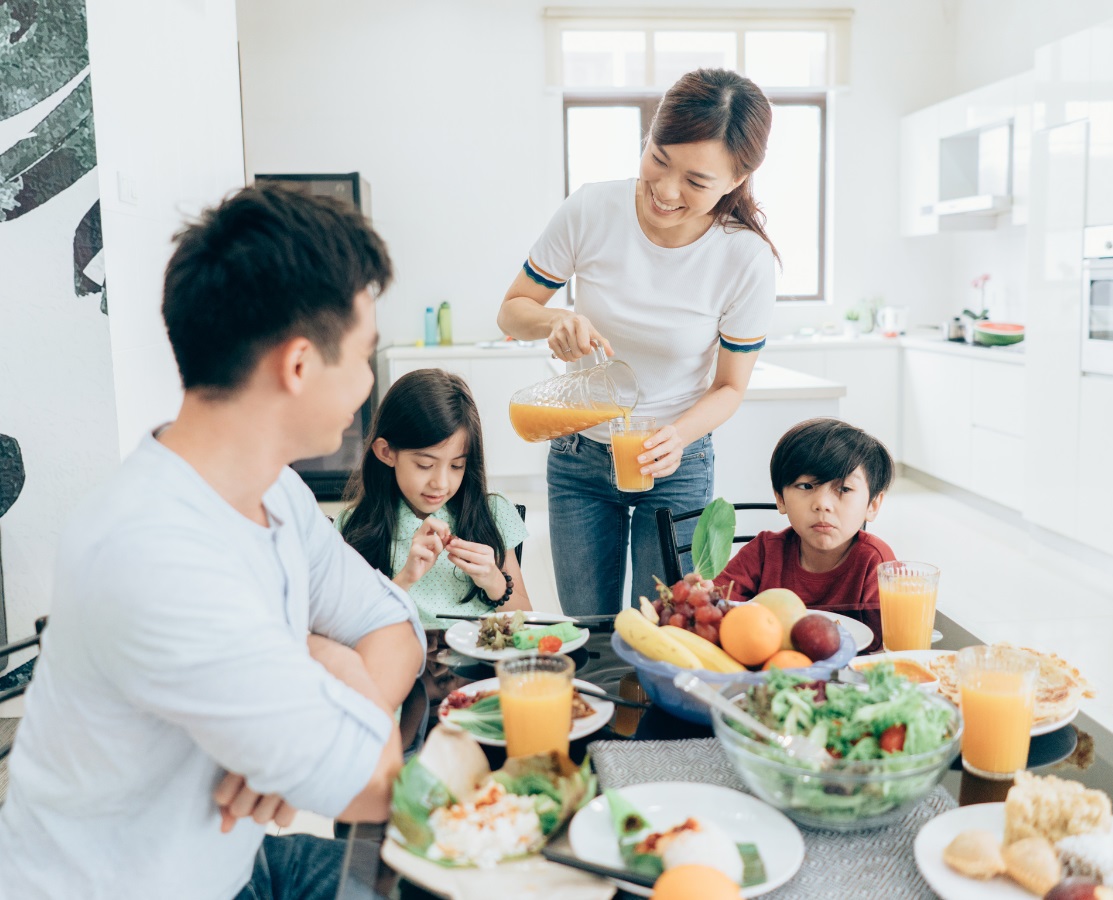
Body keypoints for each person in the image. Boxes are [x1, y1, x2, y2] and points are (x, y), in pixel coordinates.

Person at [0, 185, 426, 900]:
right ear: (298, 366)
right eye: (363, 358)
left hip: (237, 860)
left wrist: (320, 726)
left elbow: (397, 626)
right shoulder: (152, 553)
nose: (366, 386)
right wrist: (324, 662)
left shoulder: (276, 493)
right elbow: (379, 786)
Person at [497, 68, 778, 617]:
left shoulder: (744, 259)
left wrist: (677, 436)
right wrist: (553, 319)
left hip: (677, 461)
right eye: (659, 159)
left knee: (665, 627)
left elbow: (729, 387)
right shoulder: (591, 210)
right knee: (593, 627)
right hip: (580, 454)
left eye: (696, 182)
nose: (666, 191)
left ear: (738, 179)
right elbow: (513, 310)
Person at [337, 368, 532, 632]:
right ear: (386, 452)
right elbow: (348, 628)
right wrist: (406, 578)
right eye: (425, 465)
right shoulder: (354, 526)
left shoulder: (492, 512)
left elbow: (528, 622)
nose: (441, 483)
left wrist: (494, 581)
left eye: (456, 466)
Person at [715, 418, 896, 652]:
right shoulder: (764, 551)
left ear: (872, 504)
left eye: (843, 489)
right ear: (780, 498)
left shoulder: (875, 562)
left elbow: (887, 646)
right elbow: (717, 605)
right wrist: (700, 593)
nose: (822, 504)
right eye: (806, 486)